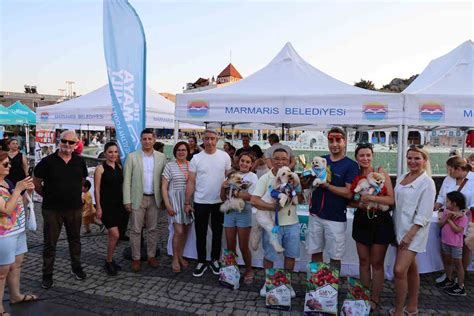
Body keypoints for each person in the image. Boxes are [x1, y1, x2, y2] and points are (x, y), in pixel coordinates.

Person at [33, 130, 88, 289]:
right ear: (59, 141)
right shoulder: (47, 161)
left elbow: (82, 181)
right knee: (50, 243)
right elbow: (36, 182)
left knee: (75, 240)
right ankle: (47, 274)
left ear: (76, 144)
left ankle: (76, 267)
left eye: (71, 142)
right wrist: (48, 195)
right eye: (64, 141)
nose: (67, 145)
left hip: (74, 209)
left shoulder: (79, 161)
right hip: (52, 209)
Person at [251, 148, 303, 297]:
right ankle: (269, 283)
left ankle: (287, 284)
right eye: (277, 159)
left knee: (291, 256)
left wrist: (298, 189)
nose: (280, 162)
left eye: (284, 159)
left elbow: (300, 197)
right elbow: (254, 200)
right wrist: (271, 206)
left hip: (292, 223)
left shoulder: (293, 177)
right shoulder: (265, 178)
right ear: (271, 161)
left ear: (289, 161)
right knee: (269, 255)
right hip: (273, 225)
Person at [391, 145, 436, 316]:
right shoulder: (403, 176)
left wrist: (409, 236)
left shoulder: (428, 183)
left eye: (417, 158)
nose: (412, 161)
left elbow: (424, 214)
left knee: (399, 270)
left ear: (425, 160)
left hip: (413, 233)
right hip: (399, 228)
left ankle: (398, 311)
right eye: (409, 158)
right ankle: (412, 307)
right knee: (411, 268)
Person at [350, 142, 395, 312]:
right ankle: (363, 295)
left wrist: (372, 199)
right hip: (362, 219)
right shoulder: (354, 175)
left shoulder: (381, 172)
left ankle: (374, 299)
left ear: (372, 156)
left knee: (377, 263)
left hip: (381, 221)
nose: (365, 158)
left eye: (368, 155)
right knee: (363, 261)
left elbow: (391, 200)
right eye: (362, 155)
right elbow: (350, 200)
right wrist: (360, 204)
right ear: (357, 158)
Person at [306, 127, 359, 268]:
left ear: (345, 142)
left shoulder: (351, 165)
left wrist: (327, 186)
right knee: (315, 252)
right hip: (315, 214)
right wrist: (306, 180)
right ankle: (316, 284)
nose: (334, 144)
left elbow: (349, 193)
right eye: (331, 141)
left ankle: (331, 286)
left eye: (338, 140)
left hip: (335, 217)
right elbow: (309, 185)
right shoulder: (320, 160)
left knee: (335, 256)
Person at [185, 130, 231, 277]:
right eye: (206, 139)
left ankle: (215, 259)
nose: (209, 142)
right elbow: (191, 182)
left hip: (219, 201)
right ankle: (201, 260)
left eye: (212, 139)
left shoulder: (224, 156)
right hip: (200, 201)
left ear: (217, 139)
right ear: (202, 140)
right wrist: (187, 202)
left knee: (218, 233)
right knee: (201, 233)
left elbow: (230, 178)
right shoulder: (196, 159)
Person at [123, 128, 166, 272]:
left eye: (150, 139)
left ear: (154, 140)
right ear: (140, 140)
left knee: (153, 229)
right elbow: (127, 180)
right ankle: (136, 258)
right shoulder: (132, 157)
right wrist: (127, 200)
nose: (147, 141)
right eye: (144, 139)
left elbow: (163, 179)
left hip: (154, 198)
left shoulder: (161, 157)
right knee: (135, 230)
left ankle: (151, 256)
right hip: (137, 198)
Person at [0, 152, 37, 315]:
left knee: (16, 265)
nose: (9, 167)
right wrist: (18, 189)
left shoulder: (6, 182)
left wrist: (27, 192)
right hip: (4, 234)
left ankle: (15, 295)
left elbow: (18, 204)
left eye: (9, 164)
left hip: (17, 230)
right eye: (5, 164)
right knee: (2, 272)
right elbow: (6, 210)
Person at [434, 155, 474, 284]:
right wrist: (436, 206)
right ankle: (448, 274)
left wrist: (465, 211)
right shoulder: (448, 179)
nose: (448, 172)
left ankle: (461, 274)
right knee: (448, 245)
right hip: (448, 218)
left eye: (450, 169)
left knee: (465, 247)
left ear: (458, 168)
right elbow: (441, 196)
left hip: (466, 219)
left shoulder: (473, 179)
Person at [221, 152, 258, 284]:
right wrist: (223, 187)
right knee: (230, 245)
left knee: (243, 246)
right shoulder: (231, 175)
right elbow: (223, 198)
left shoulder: (253, 177)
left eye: (248, 162)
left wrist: (236, 190)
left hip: (244, 212)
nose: (244, 164)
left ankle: (249, 270)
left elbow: (250, 197)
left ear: (251, 164)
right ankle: (232, 269)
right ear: (239, 161)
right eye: (242, 161)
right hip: (229, 212)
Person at [94, 142, 127, 276]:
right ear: (105, 153)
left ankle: (111, 259)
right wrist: (98, 207)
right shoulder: (100, 169)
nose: (113, 154)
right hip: (106, 206)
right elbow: (96, 189)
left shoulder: (119, 166)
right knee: (115, 234)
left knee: (114, 236)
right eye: (110, 152)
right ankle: (108, 261)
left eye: (115, 152)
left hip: (119, 205)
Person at [162, 142, 194, 273]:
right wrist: (167, 204)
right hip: (175, 201)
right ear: (175, 152)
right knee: (178, 231)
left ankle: (180, 255)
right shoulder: (170, 166)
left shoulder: (191, 166)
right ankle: (175, 258)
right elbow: (164, 187)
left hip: (188, 201)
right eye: (179, 150)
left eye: (184, 150)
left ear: (188, 151)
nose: (181, 152)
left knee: (185, 231)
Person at [437, 191, 468, 296]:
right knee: (447, 261)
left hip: (455, 244)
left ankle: (460, 286)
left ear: (454, 204)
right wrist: (446, 218)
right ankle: (449, 279)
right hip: (445, 241)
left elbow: (457, 230)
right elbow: (440, 224)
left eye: (448, 201)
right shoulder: (446, 212)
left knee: (458, 264)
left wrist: (449, 220)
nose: (446, 203)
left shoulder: (463, 217)